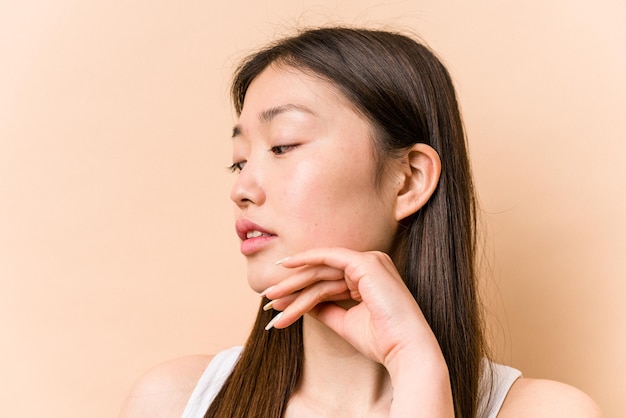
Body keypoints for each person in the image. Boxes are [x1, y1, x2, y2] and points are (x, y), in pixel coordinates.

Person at [119, 27, 602, 418]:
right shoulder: (174, 403)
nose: (242, 188)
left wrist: (418, 374)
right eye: (239, 160)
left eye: (283, 145)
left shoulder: (549, 412)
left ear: (409, 180)